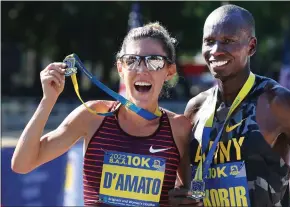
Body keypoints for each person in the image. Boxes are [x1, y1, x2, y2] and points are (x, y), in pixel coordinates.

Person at [169, 4, 290, 207]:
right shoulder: (195, 108)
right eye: (209, 41)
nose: (216, 50)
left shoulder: (277, 102)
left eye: (228, 41)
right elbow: (185, 186)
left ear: (251, 46)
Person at [11, 22, 192, 207]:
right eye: (132, 60)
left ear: (170, 71)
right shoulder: (93, 116)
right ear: (120, 68)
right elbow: (22, 164)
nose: (142, 69)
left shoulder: (179, 129)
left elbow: (191, 194)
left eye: (154, 61)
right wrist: (47, 100)